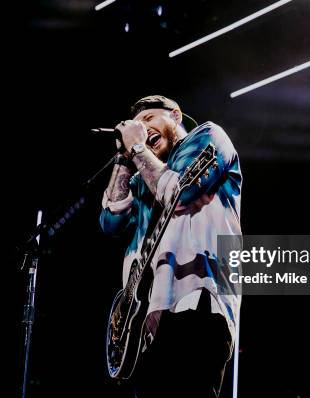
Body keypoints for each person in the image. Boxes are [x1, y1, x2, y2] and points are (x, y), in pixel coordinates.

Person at [100, 95, 242, 398]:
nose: (141, 128)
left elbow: (184, 191)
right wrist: (125, 158)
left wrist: (137, 147)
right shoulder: (144, 178)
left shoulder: (208, 135)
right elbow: (110, 221)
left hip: (198, 300)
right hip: (149, 318)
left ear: (175, 115)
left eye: (149, 119)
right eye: (136, 126)